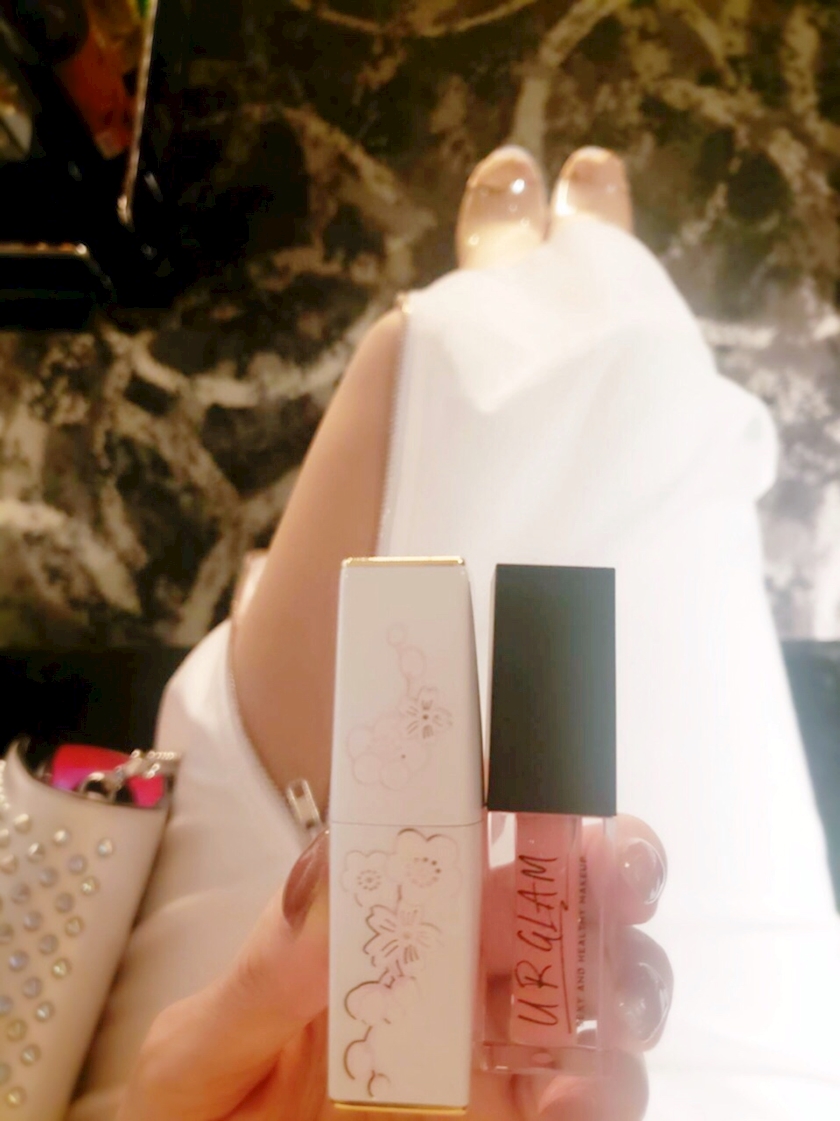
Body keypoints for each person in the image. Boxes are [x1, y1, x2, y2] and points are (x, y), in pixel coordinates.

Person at [69, 147, 840, 1121]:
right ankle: (591, 304)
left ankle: (515, 308)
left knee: (425, 402)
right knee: (656, 536)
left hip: (244, 1042)